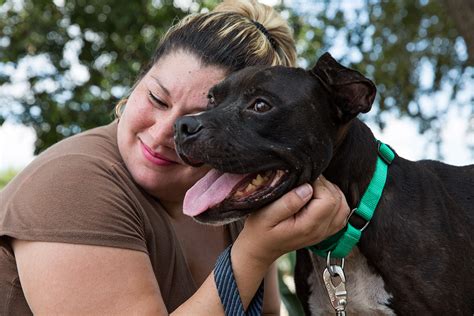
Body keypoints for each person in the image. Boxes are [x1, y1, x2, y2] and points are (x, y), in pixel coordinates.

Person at [0, 0, 350, 314]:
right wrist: (253, 252)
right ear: (138, 81)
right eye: (156, 98)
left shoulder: (229, 193)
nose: (164, 131)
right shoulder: (72, 184)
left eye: (199, 120)